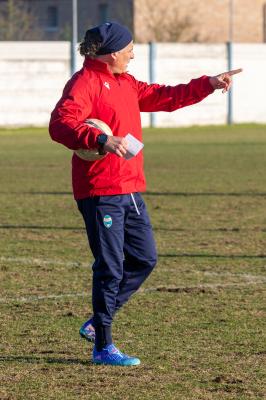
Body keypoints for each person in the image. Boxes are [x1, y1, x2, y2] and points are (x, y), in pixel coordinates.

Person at [49, 21, 242, 366]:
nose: (133, 53)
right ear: (110, 53)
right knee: (109, 267)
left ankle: (96, 323)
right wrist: (101, 139)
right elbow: (60, 124)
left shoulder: (127, 82)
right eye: (128, 48)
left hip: (131, 188)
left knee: (144, 259)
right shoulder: (85, 83)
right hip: (100, 190)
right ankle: (103, 346)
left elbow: (165, 96)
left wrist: (208, 84)